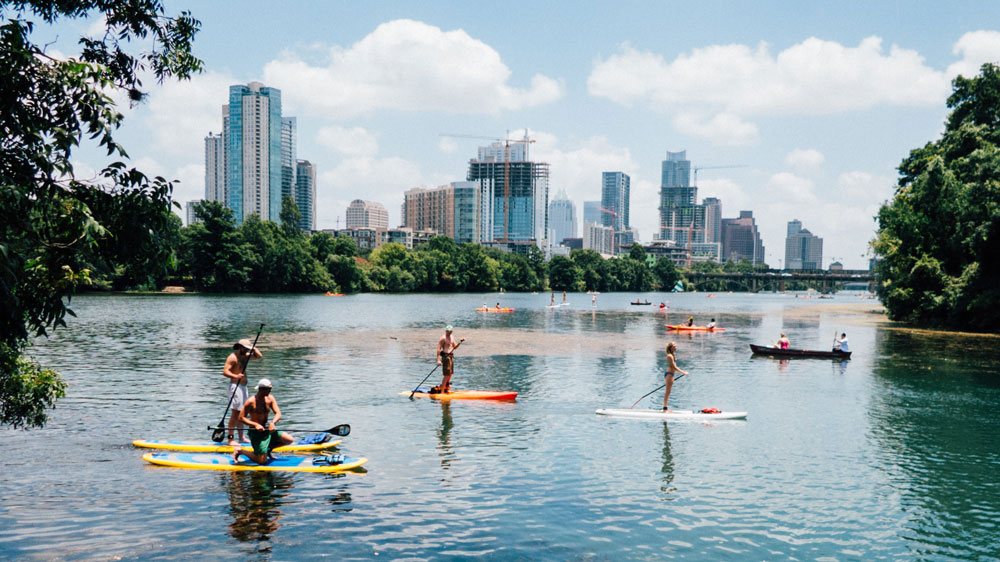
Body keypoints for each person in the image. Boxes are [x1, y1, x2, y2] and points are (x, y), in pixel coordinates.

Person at [232, 378, 293, 465]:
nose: (270, 391)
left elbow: (278, 413)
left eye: (271, 389)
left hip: (267, 429)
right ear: (261, 389)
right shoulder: (251, 401)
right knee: (262, 461)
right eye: (268, 389)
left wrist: (273, 423)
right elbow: (241, 418)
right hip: (256, 433)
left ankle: (267, 450)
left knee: (289, 440)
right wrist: (255, 424)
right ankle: (240, 451)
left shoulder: (270, 399)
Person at [222, 338, 263, 446]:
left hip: (243, 387)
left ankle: (241, 438)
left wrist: (253, 348)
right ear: (240, 347)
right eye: (245, 348)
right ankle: (230, 439)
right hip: (235, 386)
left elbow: (259, 356)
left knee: (242, 413)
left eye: (248, 348)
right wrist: (235, 375)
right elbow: (225, 371)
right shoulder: (232, 357)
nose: (247, 350)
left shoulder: (245, 356)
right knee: (235, 413)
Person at [433, 325, 465, 393]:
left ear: (452, 331)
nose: (449, 332)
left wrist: (460, 342)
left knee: (450, 373)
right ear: (445, 331)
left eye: (450, 331)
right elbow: (438, 349)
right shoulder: (443, 338)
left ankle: (445, 387)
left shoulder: (452, 337)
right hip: (445, 357)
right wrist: (438, 360)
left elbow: (455, 347)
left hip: (451, 356)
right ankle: (442, 392)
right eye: (448, 331)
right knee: (446, 374)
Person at [663, 342, 689, 412]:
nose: (675, 348)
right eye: (674, 346)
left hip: (671, 374)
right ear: (671, 347)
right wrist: (684, 372)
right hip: (669, 374)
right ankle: (665, 409)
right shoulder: (669, 356)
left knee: (669, 392)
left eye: (676, 346)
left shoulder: (672, 355)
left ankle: (665, 408)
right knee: (667, 392)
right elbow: (674, 367)